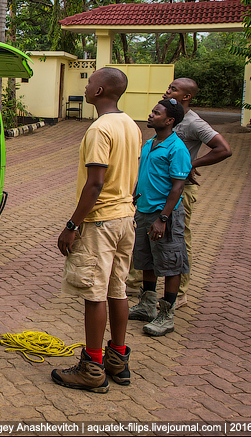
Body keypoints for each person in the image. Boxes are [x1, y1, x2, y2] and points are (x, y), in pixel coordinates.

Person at [52, 67, 141, 393]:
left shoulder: (100, 129)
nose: (86, 86)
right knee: (117, 290)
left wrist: (72, 225)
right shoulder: (131, 125)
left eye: (90, 82)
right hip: (125, 219)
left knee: (94, 293)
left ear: (100, 90)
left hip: (100, 221)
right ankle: (117, 357)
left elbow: (95, 184)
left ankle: (92, 367)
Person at [125, 78, 232, 308]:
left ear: (186, 97)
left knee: (177, 242)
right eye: (169, 87)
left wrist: (191, 165)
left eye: (173, 89)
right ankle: (143, 293)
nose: (168, 90)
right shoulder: (154, 138)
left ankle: (177, 296)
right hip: (151, 196)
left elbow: (224, 149)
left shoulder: (194, 124)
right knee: (146, 243)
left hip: (176, 192)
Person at [127, 98, 191, 337]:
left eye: (157, 112)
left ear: (170, 120)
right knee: (146, 260)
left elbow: (177, 187)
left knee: (171, 264)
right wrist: (134, 196)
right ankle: (146, 306)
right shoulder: (151, 143)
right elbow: (144, 174)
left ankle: (167, 314)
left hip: (164, 215)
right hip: (144, 211)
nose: (151, 115)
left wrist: (163, 218)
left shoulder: (176, 148)